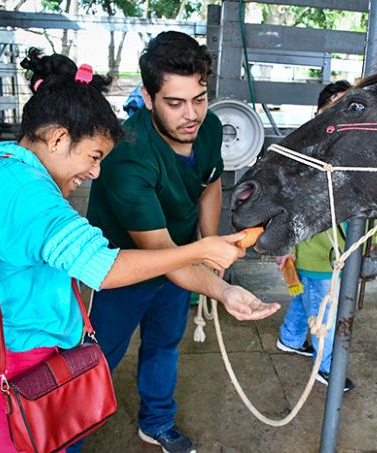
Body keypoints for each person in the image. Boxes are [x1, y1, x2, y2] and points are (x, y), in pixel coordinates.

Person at [0, 48, 279, 453]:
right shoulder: (30, 196)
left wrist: (214, 272)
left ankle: (149, 421)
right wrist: (201, 250)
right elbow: (103, 269)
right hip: (18, 374)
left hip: (15, 360)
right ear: (57, 138)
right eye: (92, 157)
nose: (95, 173)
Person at [79, 31, 251, 453]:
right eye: (174, 103)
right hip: (125, 270)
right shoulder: (128, 155)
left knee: (164, 344)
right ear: (148, 95)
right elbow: (160, 256)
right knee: (97, 361)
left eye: (199, 98)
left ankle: (156, 421)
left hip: (183, 262)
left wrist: (208, 246)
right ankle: (66, 439)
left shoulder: (209, 128)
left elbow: (210, 183)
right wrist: (222, 287)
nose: (191, 114)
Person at [275, 80, 356, 393]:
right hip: (320, 253)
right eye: (334, 107)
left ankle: (290, 339)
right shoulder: (308, 155)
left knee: (304, 299)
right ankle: (327, 368)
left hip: (325, 251)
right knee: (326, 315)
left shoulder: (352, 154)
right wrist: (287, 247)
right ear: (321, 114)